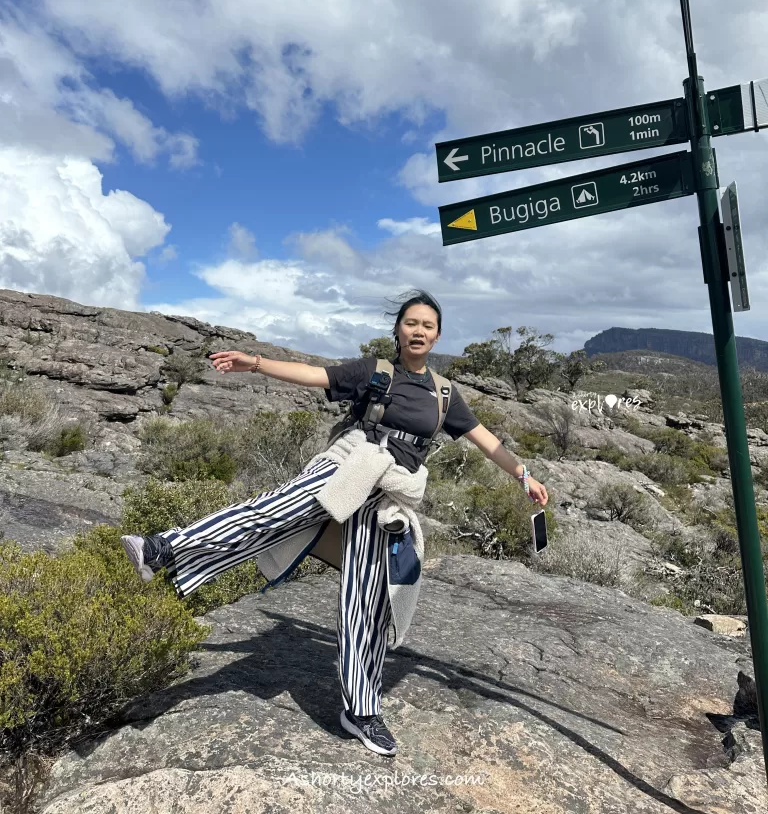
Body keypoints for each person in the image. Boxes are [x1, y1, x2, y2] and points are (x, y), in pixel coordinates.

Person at [121, 289, 548, 757]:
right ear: (399, 330)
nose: (419, 331)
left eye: (428, 325)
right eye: (411, 323)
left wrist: (523, 475)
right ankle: (166, 549)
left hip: (386, 496)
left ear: (438, 334)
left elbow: (484, 439)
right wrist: (257, 363)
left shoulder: (444, 393)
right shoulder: (375, 371)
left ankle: (361, 709)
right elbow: (314, 375)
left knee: (366, 598)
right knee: (272, 512)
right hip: (348, 467)